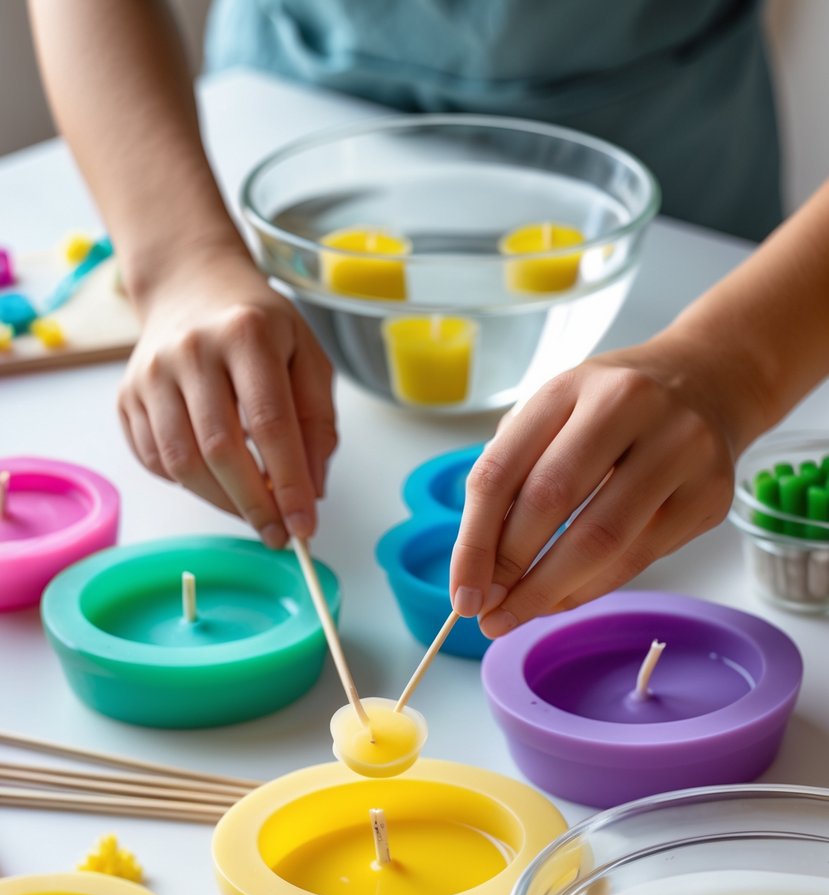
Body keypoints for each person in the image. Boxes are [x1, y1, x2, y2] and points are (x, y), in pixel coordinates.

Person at [28, 1, 829, 639]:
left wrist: (733, 366)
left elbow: (730, 358)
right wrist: (178, 258)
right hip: (283, 110)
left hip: (680, 185)